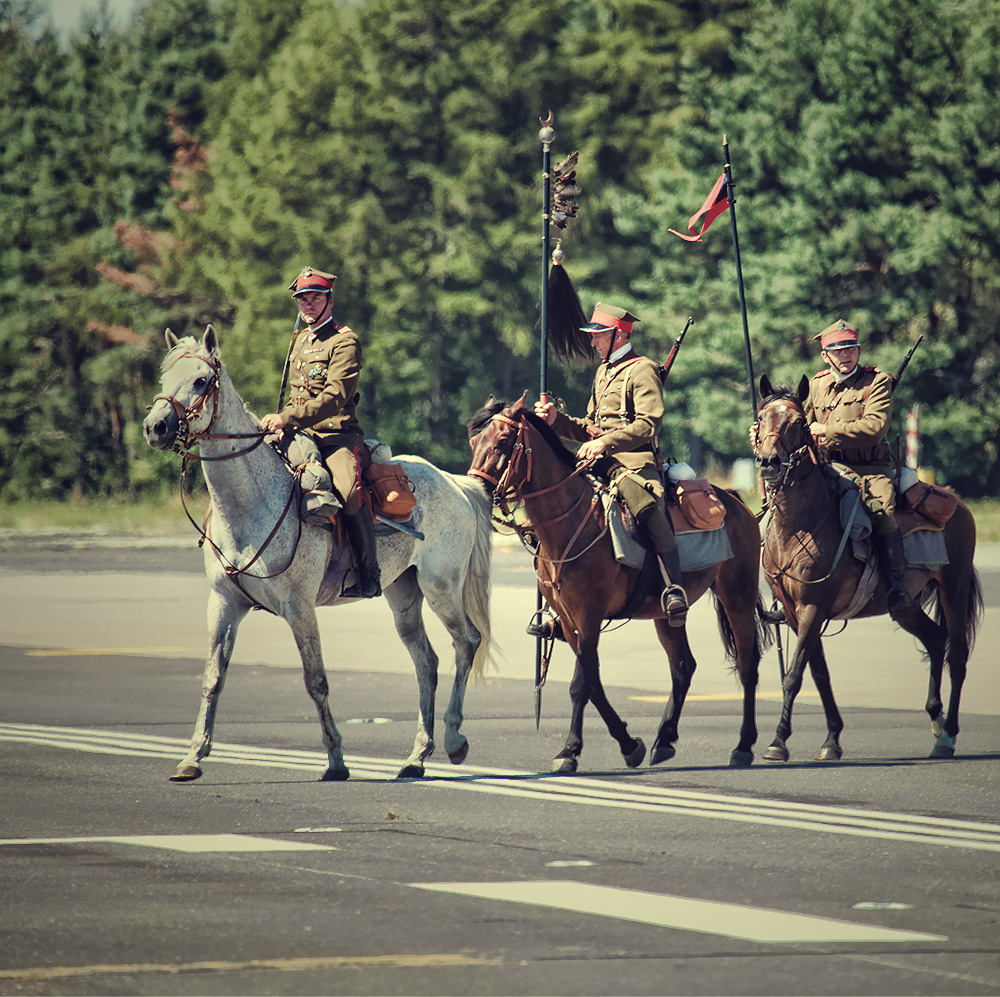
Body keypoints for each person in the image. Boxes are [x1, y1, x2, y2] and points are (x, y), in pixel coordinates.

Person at [532, 302, 688, 627]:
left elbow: (648, 424)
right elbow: (590, 426)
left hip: (634, 463)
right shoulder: (604, 371)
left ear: (618, 334)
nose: (593, 342)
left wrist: (604, 442)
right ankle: (559, 597)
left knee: (645, 507)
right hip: (597, 462)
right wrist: (556, 421)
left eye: (598, 336)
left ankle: (673, 587)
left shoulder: (642, 369)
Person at [261, 266, 380, 598]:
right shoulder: (300, 340)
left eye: (315, 298)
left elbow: (334, 397)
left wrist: (288, 417)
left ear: (330, 300)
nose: (308, 305)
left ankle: (369, 572)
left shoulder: (344, 341)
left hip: (334, 436)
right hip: (296, 433)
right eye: (302, 300)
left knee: (348, 491)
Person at [803, 319, 913, 621]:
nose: (846, 355)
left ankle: (896, 589)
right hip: (829, 466)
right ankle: (790, 591)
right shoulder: (817, 384)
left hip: (869, 469)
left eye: (851, 348)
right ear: (825, 355)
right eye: (838, 350)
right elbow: (801, 426)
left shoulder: (876, 382)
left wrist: (826, 430)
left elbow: (875, 428)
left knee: (883, 514)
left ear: (858, 350)